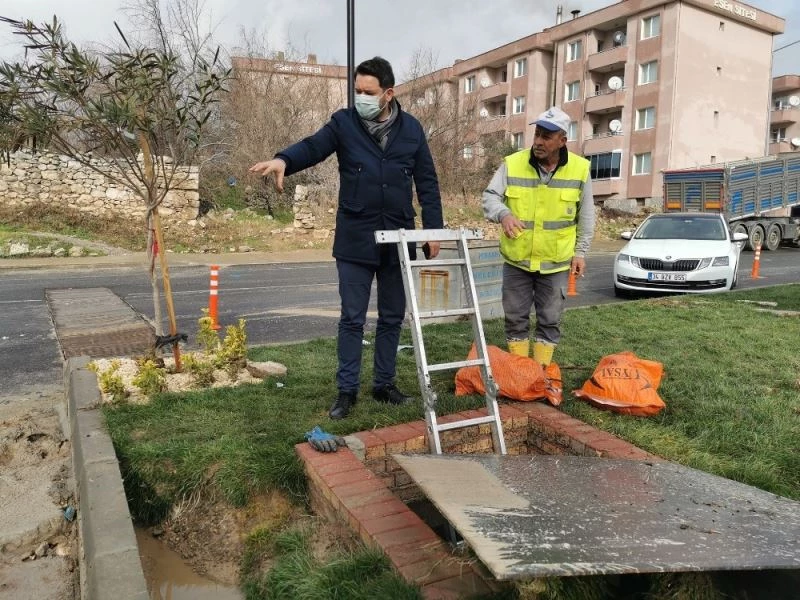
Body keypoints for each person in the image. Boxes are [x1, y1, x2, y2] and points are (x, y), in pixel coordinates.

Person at [249, 56, 443, 420]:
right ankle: (347, 390)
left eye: (368, 92)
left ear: (388, 94)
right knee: (352, 318)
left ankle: (384, 384)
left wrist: (433, 231)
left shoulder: (413, 130)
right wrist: (284, 160)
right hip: (356, 239)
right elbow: (313, 146)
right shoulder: (344, 123)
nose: (361, 98)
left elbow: (428, 183)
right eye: (357, 91)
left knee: (392, 316)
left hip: (399, 237)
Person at [482, 106, 595, 367]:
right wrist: (504, 214)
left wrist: (580, 252)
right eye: (537, 135)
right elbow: (490, 197)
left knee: (550, 319)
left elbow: (586, 215)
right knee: (515, 318)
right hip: (517, 260)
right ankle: (521, 372)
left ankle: (541, 372)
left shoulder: (580, 169)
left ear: (562, 140)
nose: (538, 142)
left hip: (556, 263)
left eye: (546, 136)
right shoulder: (513, 163)